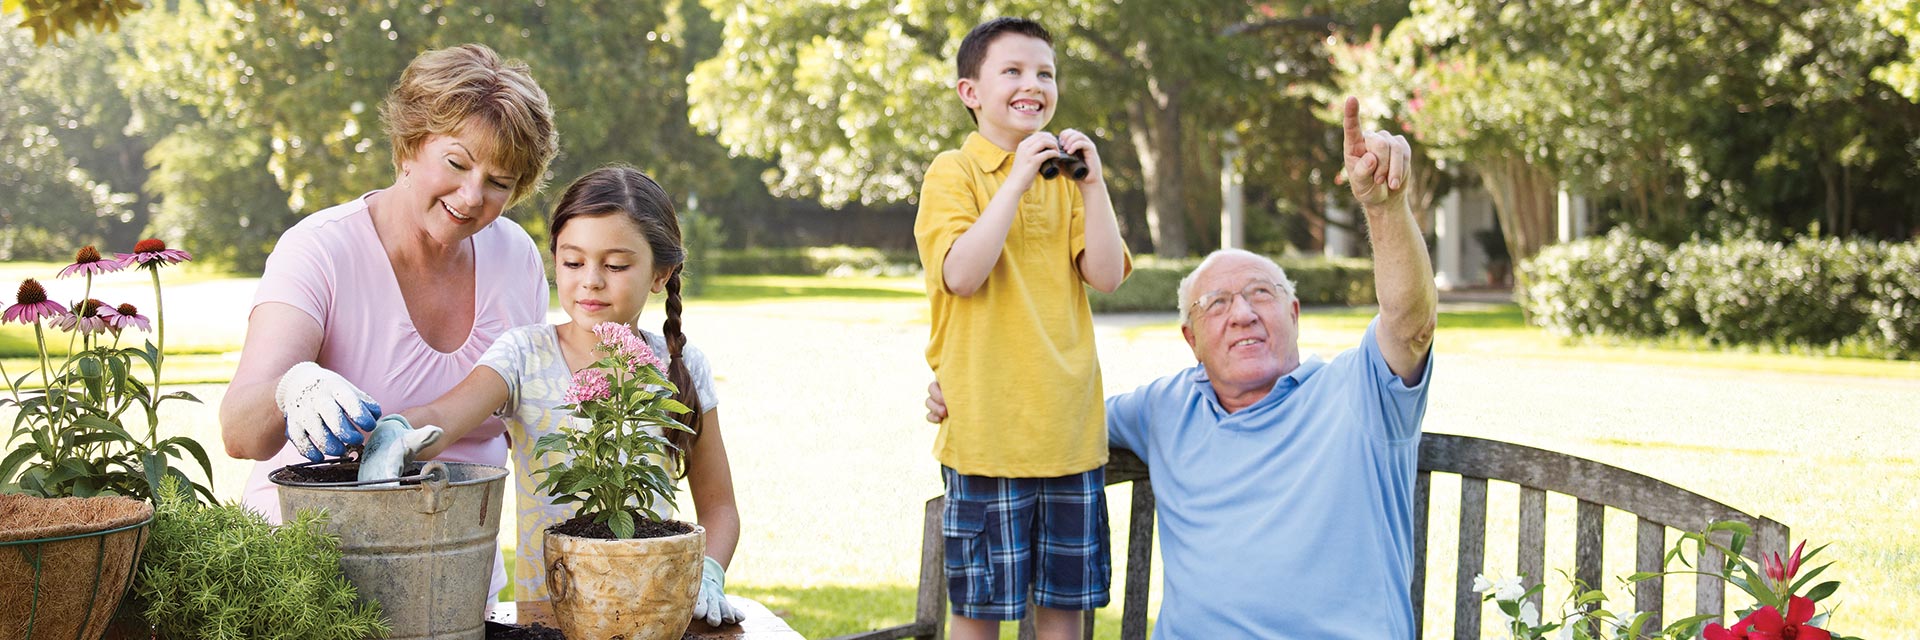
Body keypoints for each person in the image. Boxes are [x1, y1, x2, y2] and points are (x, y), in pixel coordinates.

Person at [927, 97, 1437, 639]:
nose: (1242, 314)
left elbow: (1410, 323)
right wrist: (963, 389)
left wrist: (1385, 209)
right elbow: (1053, 414)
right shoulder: (1166, 408)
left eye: (1261, 294)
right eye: (1216, 304)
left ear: (1293, 313)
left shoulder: (1358, 392)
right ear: (1190, 340)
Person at [219, 43, 559, 603]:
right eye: (456, 163)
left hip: (456, 578)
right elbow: (240, 432)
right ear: (409, 145)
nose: (472, 196)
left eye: (499, 182)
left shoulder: (516, 259)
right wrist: (292, 386)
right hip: (309, 582)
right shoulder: (321, 250)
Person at [392, 165, 744, 626]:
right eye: (573, 262)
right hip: (549, 617)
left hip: (653, 613)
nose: (590, 281)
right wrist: (395, 432)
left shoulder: (679, 364)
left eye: (616, 265)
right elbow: (445, 414)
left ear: (661, 273)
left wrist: (710, 573)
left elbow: (719, 506)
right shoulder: (525, 354)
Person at [912, 16, 1131, 640]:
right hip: (988, 436)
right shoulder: (953, 173)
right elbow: (962, 274)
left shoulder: (1066, 181)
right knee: (979, 615)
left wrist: (1094, 187)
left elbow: (1109, 275)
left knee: (1066, 613)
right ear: (970, 92)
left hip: (1069, 435)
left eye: (1045, 73)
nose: (1031, 84)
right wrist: (1014, 180)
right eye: (1011, 70)